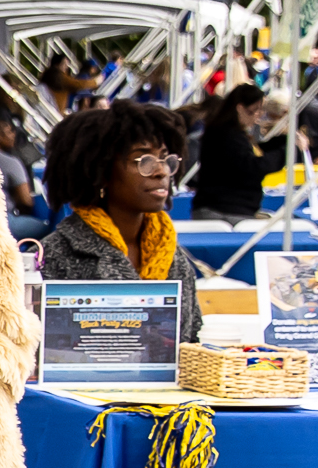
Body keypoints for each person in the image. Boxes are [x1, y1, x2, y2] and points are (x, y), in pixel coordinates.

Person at [38, 105, 204, 342]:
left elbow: (191, 339)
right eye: (143, 159)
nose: (161, 171)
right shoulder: (50, 259)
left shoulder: (172, 256)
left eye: (164, 158)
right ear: (100, 169)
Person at [190, 83, 288, 227]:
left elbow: (253, 153)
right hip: (224, 211)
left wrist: (284, 141)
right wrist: (285, 151)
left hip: (225, 208)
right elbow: (250, 166)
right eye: (253, 111)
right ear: (240, 108)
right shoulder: (227, 135)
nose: (257, 117)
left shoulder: (226, 133)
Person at [0, 102, 47, 240]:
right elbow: (26, 201)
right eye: (10, 131)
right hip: (4, 221)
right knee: (49, 230)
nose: (13, 135)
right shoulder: (10, 162)